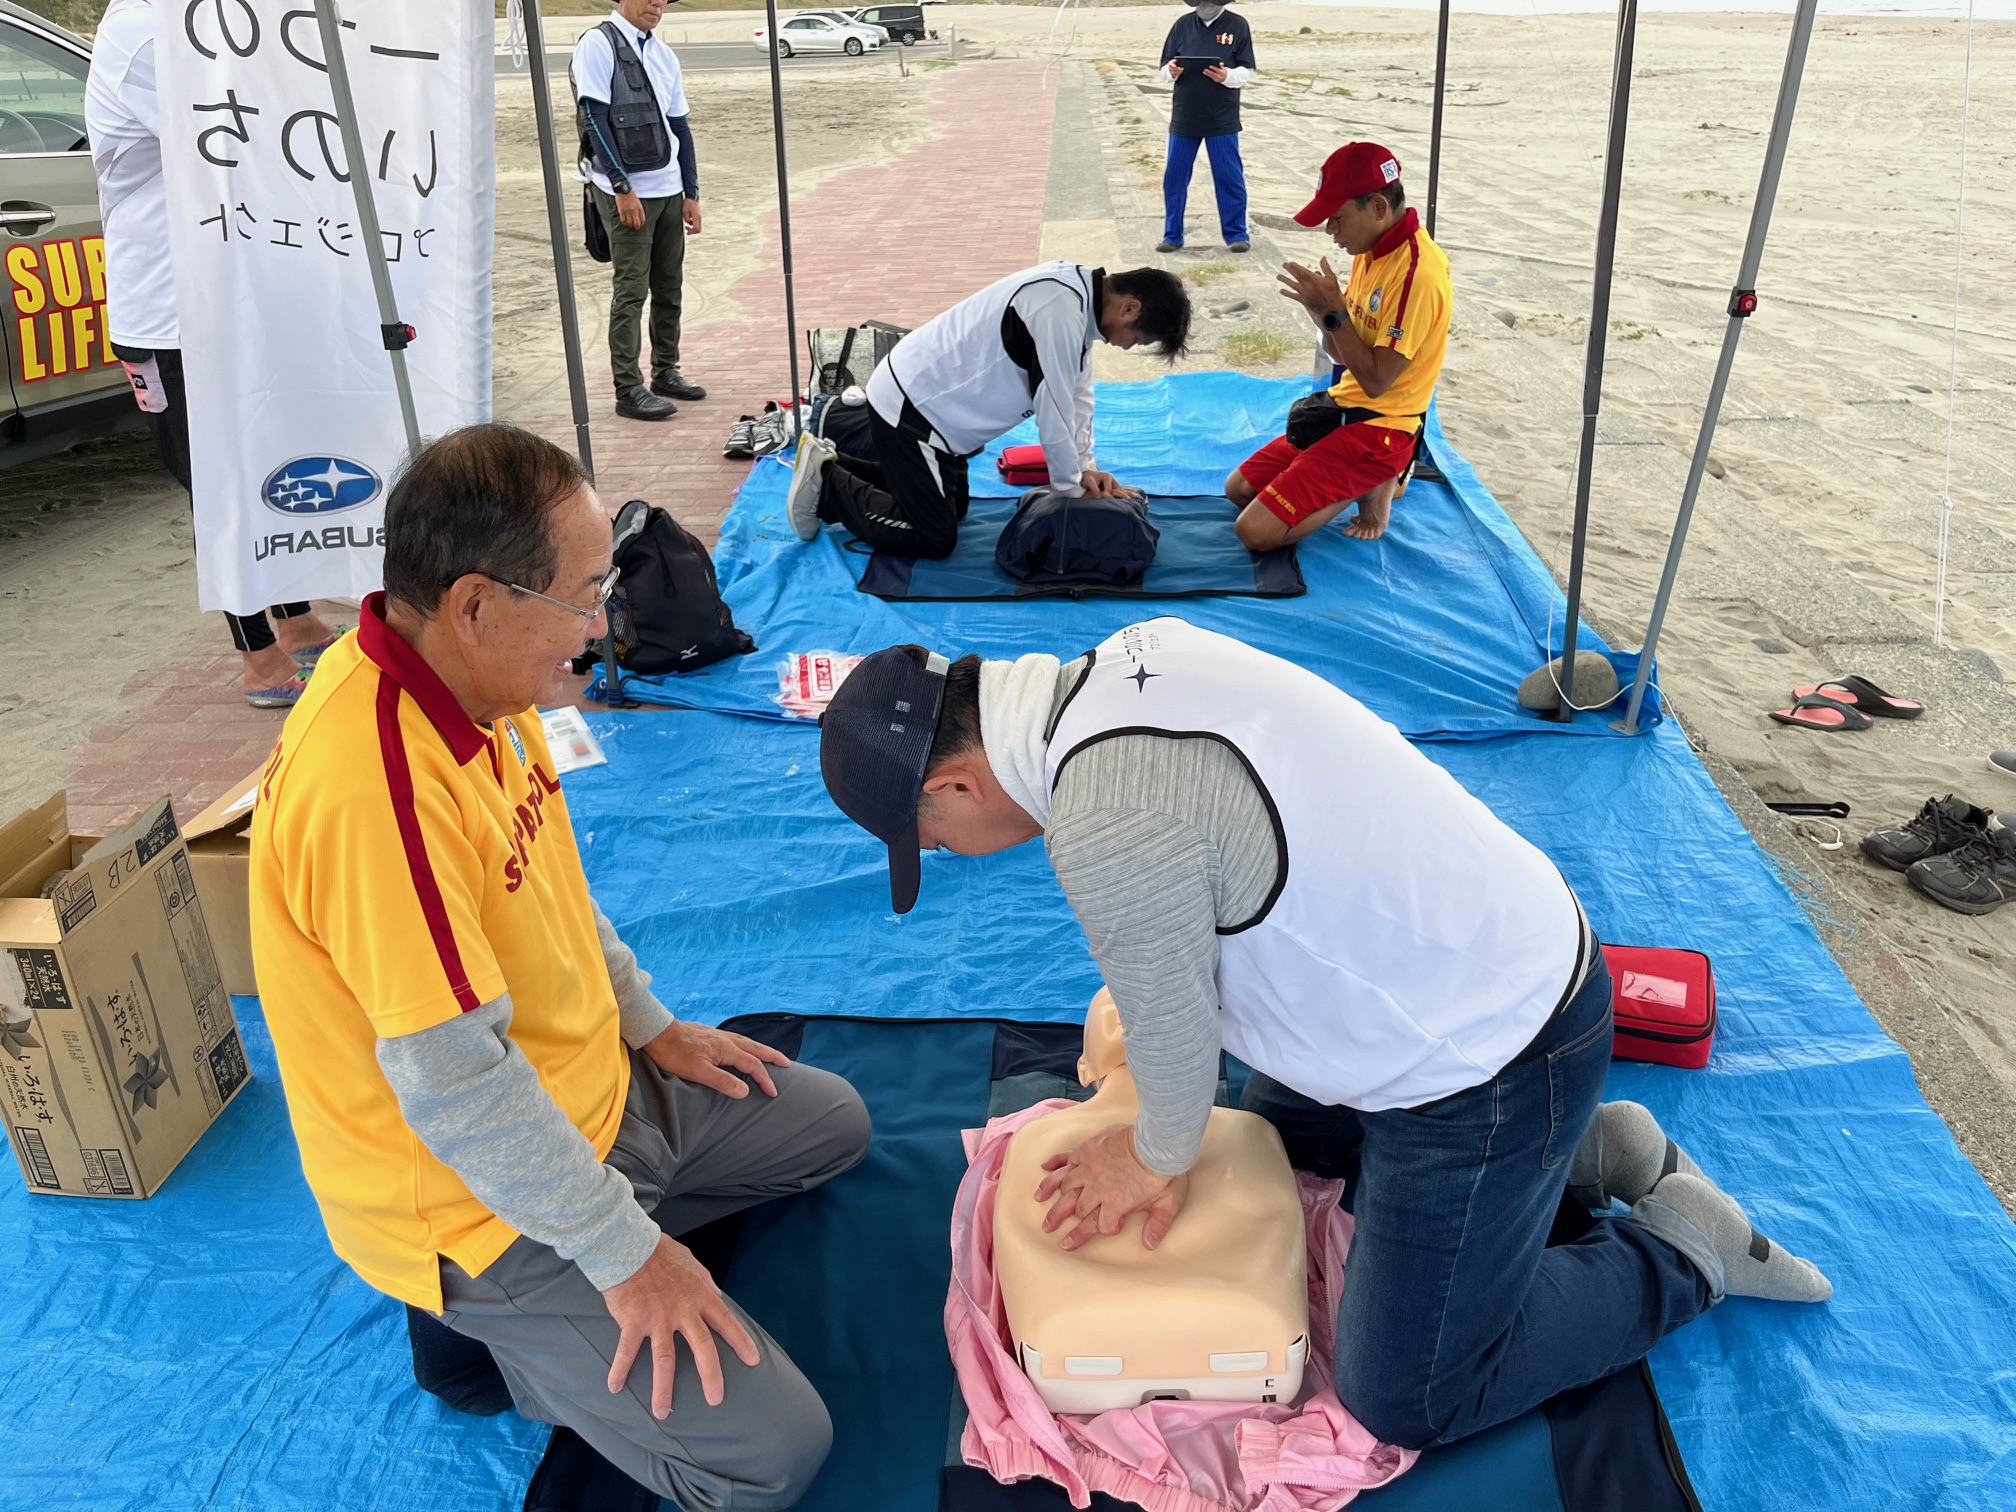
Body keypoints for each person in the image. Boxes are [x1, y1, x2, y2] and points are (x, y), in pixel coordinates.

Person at [816, 618, 1831, 1452]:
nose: (949, 852)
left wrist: (1149, 1154)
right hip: (1504, 958)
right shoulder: (1129, 655)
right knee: (1283, 1163)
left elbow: (1175, 1059)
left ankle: (1680, 1248)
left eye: (932, 838)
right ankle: (1590, 1150)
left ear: (955, 785)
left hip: (1493, 1054)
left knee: (1410, 1393)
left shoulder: (1103, 822)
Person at [250, 424, 869, 1508]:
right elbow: (457, 1084)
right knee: (774, 1455)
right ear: (476, 605)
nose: (600, 625)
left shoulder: (485, 690)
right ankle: (496, 1326)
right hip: (475, 1195)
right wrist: (625, 1254)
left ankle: (573, 1267)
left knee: (834, 1126)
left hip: (594, 1096)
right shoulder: (374, 790)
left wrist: (651, 1027)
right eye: (586, 596)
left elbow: (559, 886)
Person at [84, 0, 341, 709]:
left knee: (261, 468)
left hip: (222, 305)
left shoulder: (179, 22)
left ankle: (295, 620)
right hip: (165, 318)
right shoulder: (140, 36)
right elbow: (234, 137)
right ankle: (257, 655)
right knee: (216, 484)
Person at [785, 263, 1192, 560]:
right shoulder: (1058, 308)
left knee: (954, 508)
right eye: (1138, 340)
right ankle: (827, 482)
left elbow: (1079, 396)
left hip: (938, 417)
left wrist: (1086, 466)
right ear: (1129, 309)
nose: (1126, 346)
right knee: (933, 537)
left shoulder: (1078, 303)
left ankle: (836, 466)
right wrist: (1071, 489)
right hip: (914, 411)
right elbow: (1052, 407)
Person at [1228, 142, 1451, 551]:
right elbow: (1338, 352)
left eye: (1337, 217)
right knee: (1238, 489)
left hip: (1382, 428)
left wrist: (1334, 313)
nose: (1330, 230)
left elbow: (1376, 382)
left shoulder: (1416, 274)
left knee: (1254, 532)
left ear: (1378, 207)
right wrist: (1322, 312)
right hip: (1345, 407)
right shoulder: (1372, 250)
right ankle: (1362, 480)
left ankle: (1375, 480)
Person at [572, 0, 707, 422]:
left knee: (669, 286)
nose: (657, 3)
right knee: (631, 290)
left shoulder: (663, 53)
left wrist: (691, 191)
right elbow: (594, 118)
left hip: (669, 189)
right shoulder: (598, 44)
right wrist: (621, 187)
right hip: (627, 191)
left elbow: (679, 125)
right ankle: (628, 388)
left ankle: (666, 371)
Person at [1156, 0, 1257, 254]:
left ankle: (1237, 234)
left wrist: (1227, 76)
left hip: (1221, 118)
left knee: (1229, 177)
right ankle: (1172, 235)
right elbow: (1165, 66)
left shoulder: (1237, 24)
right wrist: (1171, 71)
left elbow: (1247, 69)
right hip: (1185, 116)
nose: (1205, 6)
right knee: (1174, 178)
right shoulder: (1182, 25)